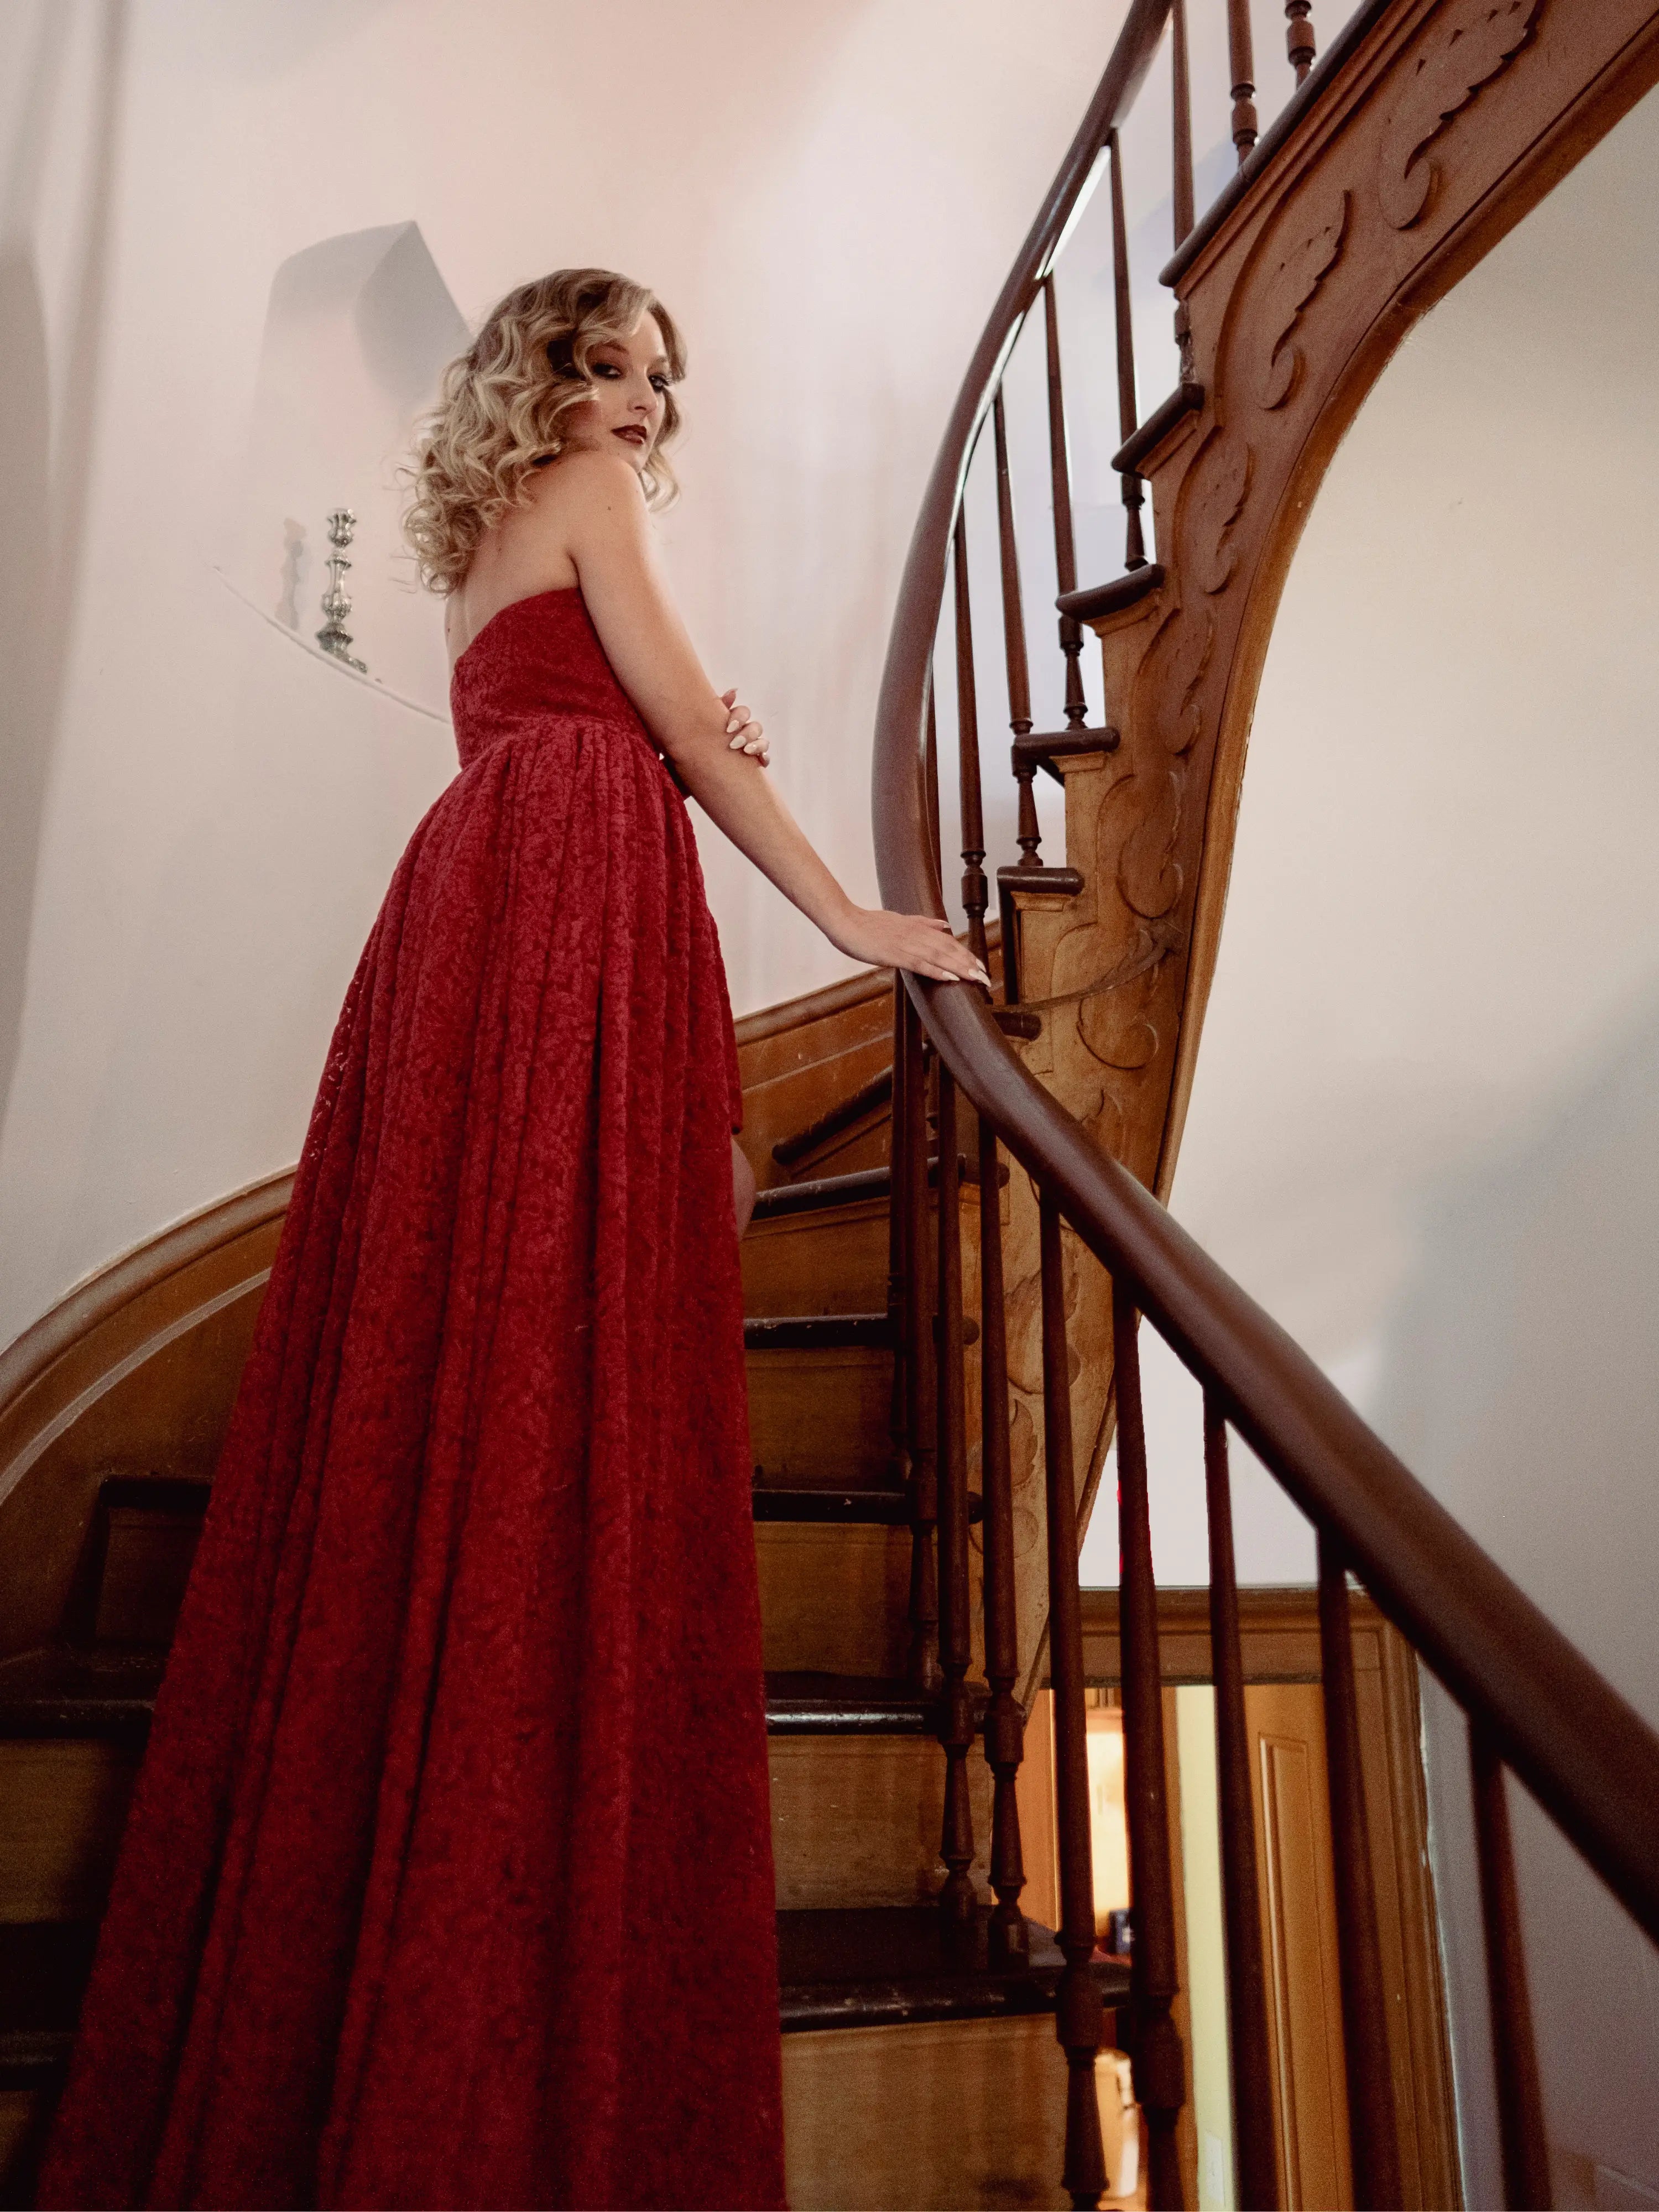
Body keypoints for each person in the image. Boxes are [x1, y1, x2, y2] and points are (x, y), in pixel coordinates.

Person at [38, 268, 987, 2212]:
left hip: (492, 892)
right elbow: (700, 756)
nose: (641, 404)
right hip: (566, 885)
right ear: (547, 377)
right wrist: (860, 925)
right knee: (567, 1336)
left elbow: (634, 717)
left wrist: (666, 739)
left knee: (504, 1325)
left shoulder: (484, 535)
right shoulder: (582, 489)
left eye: (662, 378)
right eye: (612, 363)